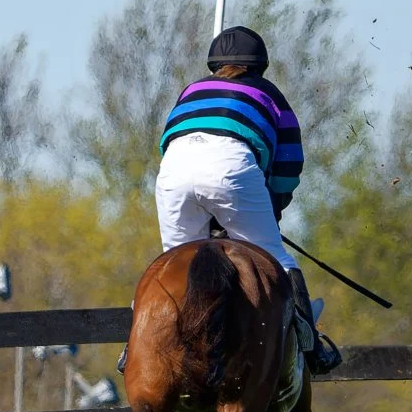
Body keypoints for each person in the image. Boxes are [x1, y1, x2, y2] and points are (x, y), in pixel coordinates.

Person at [140, 26, 340, 375]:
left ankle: (138, 348)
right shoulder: (269, 94)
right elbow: (289, 164)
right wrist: (273, 206)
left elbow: (168, 142)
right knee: (276, 258)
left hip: (173, 172)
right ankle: (312, 346)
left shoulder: (191, 90)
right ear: (259, 66)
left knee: (174, 266)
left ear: (214, 64)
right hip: (230, 169)